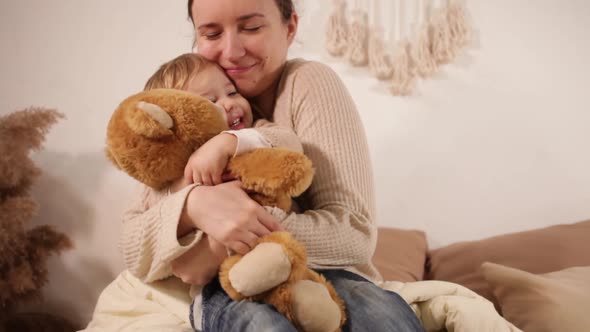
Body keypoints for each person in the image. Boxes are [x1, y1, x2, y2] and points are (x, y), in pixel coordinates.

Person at [120, 0, 426, 331]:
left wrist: (226, 237)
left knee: (378, 316)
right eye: (211, 33)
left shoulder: (305, 85)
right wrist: (192, 206)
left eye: (251, 28)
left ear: (290, 27)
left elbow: (353, 235)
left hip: (328, 275)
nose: (232, 51)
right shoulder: (186, 112)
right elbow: (133, 239)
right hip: (228, 288)